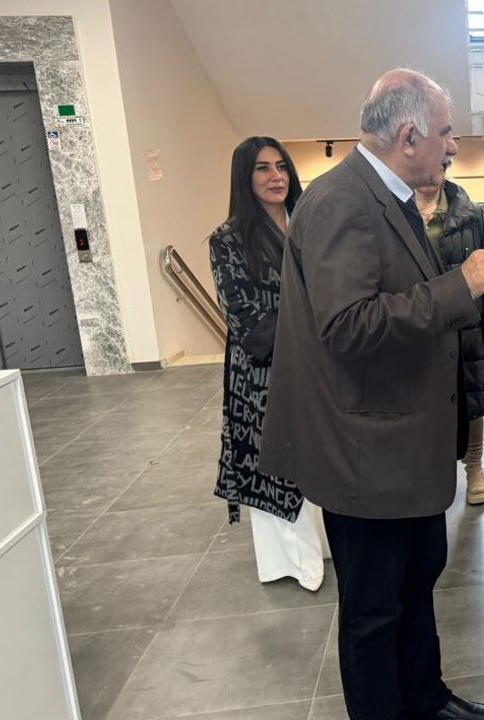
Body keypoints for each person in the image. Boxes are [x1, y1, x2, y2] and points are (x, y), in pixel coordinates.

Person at [259, 69, 484, 720]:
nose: (452, 146)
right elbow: (347, 325)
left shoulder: (388, 194)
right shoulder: (342, 202)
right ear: (408, 136)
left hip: (401, 444)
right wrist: (460, 285)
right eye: (446, 133)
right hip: (364, 453)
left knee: (416, 579)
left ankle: (425, 699)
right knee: (373, 609)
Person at [209, 136, 328, 592]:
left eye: (281, 166)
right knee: (277, 466)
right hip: (264, 375)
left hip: (320, 366)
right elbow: (245, 318)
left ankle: (323, 546)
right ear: (245, 177)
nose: (276, 176)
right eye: (263, 168)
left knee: (319, 458)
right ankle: (294, 562)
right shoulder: (228, 240)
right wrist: (310, 328)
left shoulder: (309, 223)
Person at [415, 169, 484, 506]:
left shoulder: (471, 213)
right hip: (420, 321)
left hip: (468, 321)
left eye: (439, 164)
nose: (431, 171)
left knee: (472, 393)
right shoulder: (396, 212)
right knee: (426, 397)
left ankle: (474, 467)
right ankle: (433, 469)